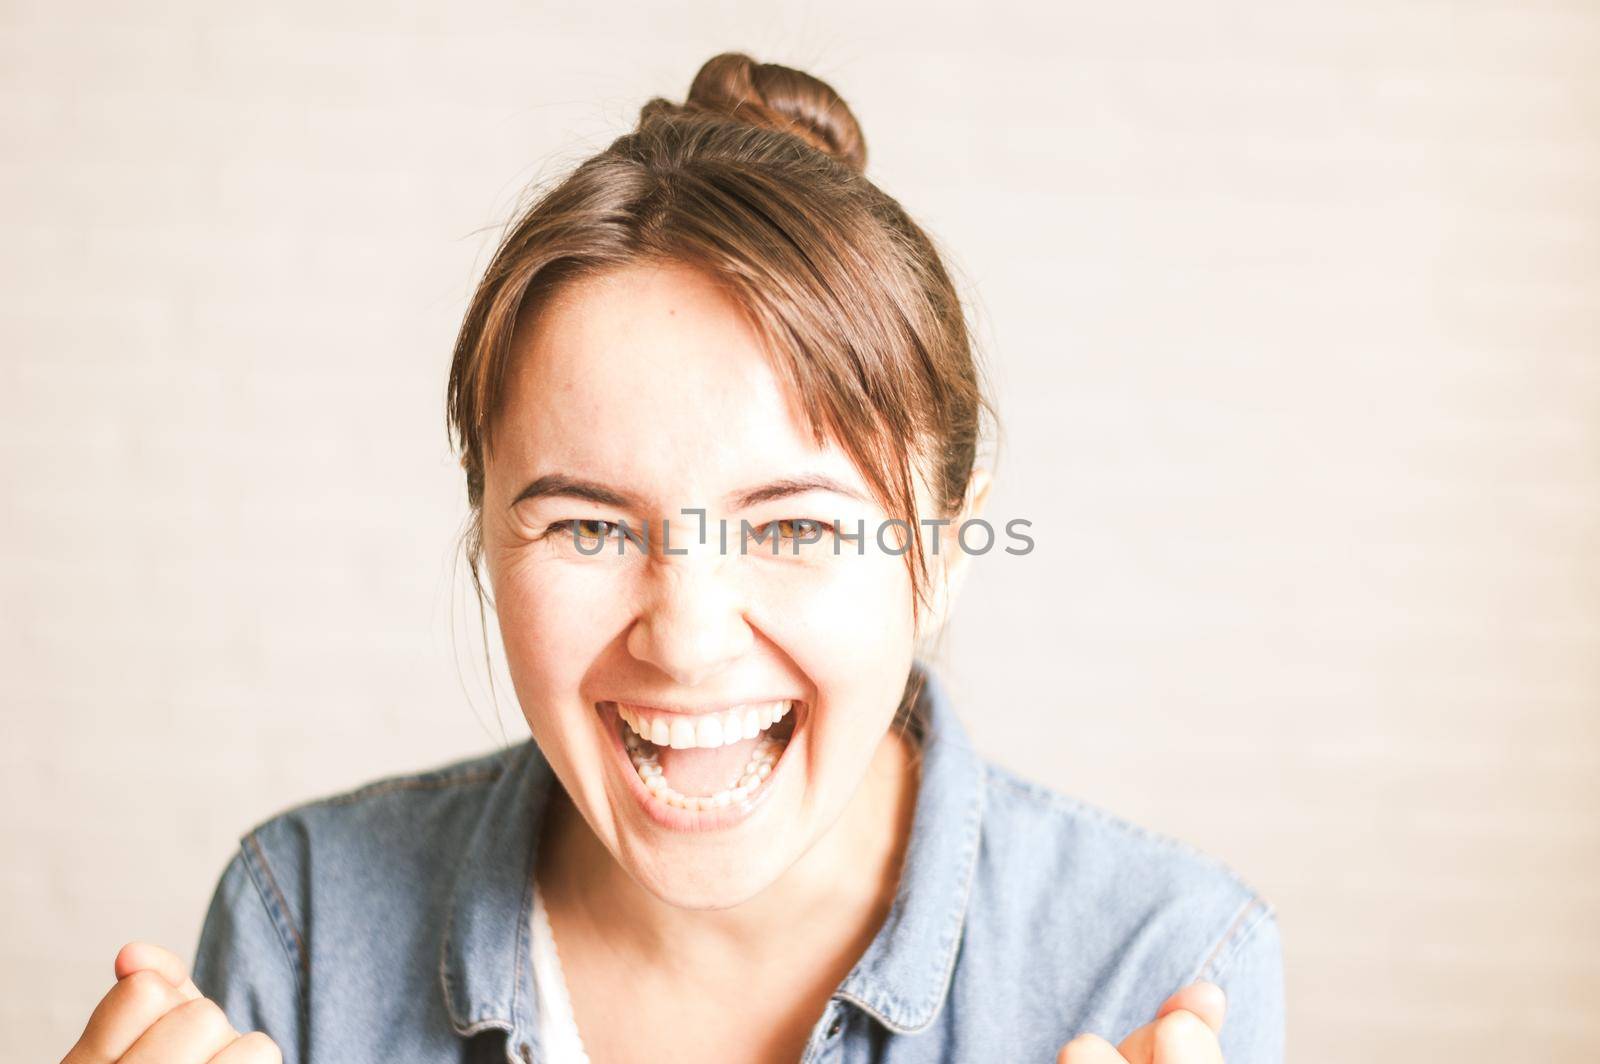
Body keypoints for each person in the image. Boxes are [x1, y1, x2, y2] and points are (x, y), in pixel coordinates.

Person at [58, 53, 1285, 1064]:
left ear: (948, 542)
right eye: (588, 524)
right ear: (487, 535)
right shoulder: (307, 920)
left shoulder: (1159, 963)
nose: (685, 633)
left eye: (795, 525)